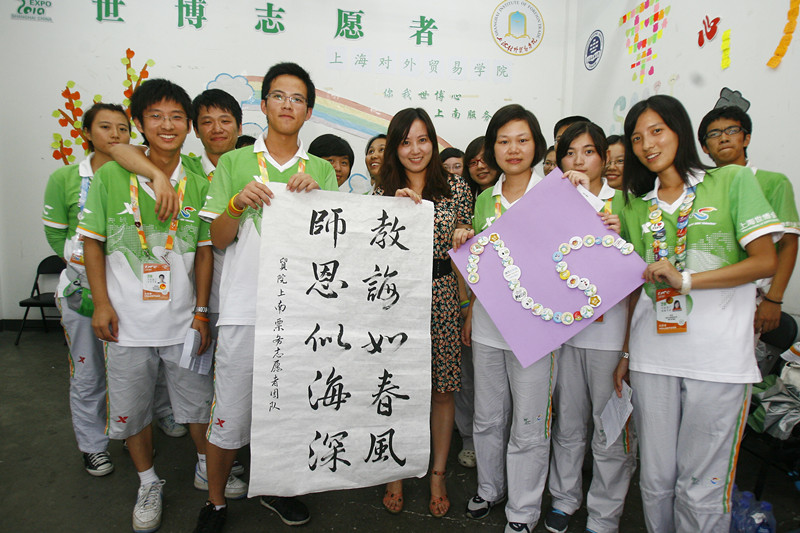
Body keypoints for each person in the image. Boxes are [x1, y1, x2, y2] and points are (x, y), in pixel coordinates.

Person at [615, 95, 781, 532]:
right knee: (655, 480)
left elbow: (765, 261)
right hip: (653, 354)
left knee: (702, 484)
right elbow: (633, 285)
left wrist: (686, 280)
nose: (647, 144)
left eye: (657, 131)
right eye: (637, 138)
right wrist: (627, 354)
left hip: (717, 357)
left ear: (680, 131)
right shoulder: (636, 204)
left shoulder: (730, 181)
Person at [196, 62, 338, 533]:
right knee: (230, 410)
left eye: (297, 99)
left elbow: (334, 248)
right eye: (279, 96)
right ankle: (216, 502)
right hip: (244, 308)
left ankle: (280, 488)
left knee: (291, 408)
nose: (287, 105)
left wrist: (320, 201)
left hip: (301, 314)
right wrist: (236, 203)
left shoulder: (321, 169)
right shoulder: (235, 162)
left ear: (309, 111)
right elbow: (217, 239)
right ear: (264, 105)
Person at [78, 79, 215, 533]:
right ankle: (148, 481)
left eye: (176, 116)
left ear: (189, 126)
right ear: (138, 122)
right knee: (132, 410)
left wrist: (200, 312)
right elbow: (92, 243)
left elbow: (204, 254)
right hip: (127, 324)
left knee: (197, 405)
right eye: (155, 116)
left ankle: (206, 465)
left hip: (182, 323)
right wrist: (101, 303)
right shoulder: (111, 176)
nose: (167, 125)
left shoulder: (198, 183)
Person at [457, 104, 555, 533]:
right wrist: (465, 238)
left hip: (537, 327)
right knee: (487, 415)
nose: (513, 149)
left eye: (522, 140)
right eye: (503, 141)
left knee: (530, 422)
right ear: (492, 148)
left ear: (536, 145)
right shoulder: (485, 199)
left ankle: (524, 509)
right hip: (489, 325)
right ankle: (489, 487)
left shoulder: (554, 193)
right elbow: (479, 264)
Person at [376, 107, 472, 518]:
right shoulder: (381, 191)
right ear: (394, 148)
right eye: (405, 142)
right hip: (394, 297)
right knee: (394, 385)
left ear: (433, 142)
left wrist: (465, 234)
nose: (415, 150)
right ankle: (394, 470)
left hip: (443, 294)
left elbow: (469, 245)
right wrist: (393, 212)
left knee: (442, 389)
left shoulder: (456, 187)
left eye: (422, 140)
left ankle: (437, 474)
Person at [544, 121, 636, 533]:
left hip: (609, 336)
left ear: (603, 157)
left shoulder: (625, 204)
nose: (578, 160)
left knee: (610, 428)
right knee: (567, 422)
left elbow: (640, 276)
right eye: (569, 152)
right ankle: (564, 499)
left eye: (588, 151)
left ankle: (604, 514)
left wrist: (619, 237)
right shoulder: (553, 203)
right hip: (563, 333)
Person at [42, 103, 131, 477]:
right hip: (81, 293)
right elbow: (54, 233)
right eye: (105, 127)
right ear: (87, 133)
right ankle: (93, 446)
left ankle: (131, 431)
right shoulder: (65, 178)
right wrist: (83, 260)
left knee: (130, 370)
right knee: (88, 371)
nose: (115, 135)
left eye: (123, 128)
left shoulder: (134, 173)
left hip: (127, 290)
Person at [697, 105, 800, 335]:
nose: (724, 138)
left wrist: (774, 299)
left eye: (732, 130)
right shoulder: (699, 188)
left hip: (752, 297)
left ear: (746, 138)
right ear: (705, 147)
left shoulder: (774, 183)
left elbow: (788, 244)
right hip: (705, 293)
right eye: (714, 134)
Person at [453, 135, 501, 470]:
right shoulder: (469, 200)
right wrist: (465, 303)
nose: (479, 166)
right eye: (473, 161)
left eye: (485, 159)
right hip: (472, 304)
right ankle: (471, 440)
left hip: (511, 305)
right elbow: (460, 258)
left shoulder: (513, 198)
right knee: (468, 378)